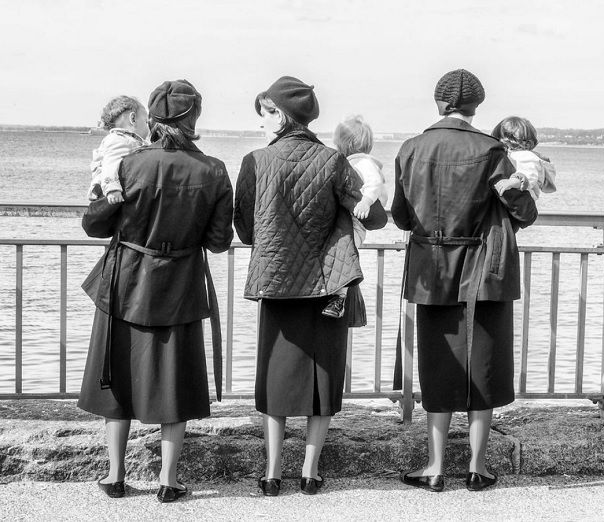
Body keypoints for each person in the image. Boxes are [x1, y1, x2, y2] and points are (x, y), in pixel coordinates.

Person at [77, 79, 233, 503]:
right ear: (194, 118)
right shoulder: (214, 170)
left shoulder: (129, 163)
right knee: (174, 382)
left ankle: (115, 475)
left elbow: (94, 224)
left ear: (154, 116)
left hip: (124, 279)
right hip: (179, 284)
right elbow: (220, 241)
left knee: (117, 375)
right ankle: (168, 480)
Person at [234, 76, 384, 497]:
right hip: (327, 285)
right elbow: (373, 217)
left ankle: (271, 473)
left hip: (277, 282)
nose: (261, 123)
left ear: (279, 114)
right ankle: (310, 472)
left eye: (264, 114)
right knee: (323, 376)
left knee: (275, 377)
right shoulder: (335, 161)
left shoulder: (255, 161)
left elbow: (245, 230)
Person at [391, 69, 538, 492]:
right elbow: (523, 213)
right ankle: (477, 466)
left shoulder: (411, 147)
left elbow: (401, 215)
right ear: (475, 108)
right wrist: (516, 188)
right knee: (485, 362)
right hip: (484, 267)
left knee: (438, 363)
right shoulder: (491, 150)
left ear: (439, 104)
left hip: (430, 267)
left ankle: (435, 466)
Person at [323, 115, 388, 319]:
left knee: (345, 254)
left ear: (345, 143)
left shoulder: (363, 163)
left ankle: (339, 298)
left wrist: (366, 201)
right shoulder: (354, 163)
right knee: (341, 253)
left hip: (357, 220)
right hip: (352, 219)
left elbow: (374, 183)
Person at [88, 96, 149, 204]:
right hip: (111, 192)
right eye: (146, 122)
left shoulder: (124, 139)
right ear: (133, 119)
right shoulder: (119, 140)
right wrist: (112, 189)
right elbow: (110, 164)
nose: (148, 126)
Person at [491, 116, 557, 201]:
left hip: (522, 202)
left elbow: (529, 174)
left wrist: (513, 181)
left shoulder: (525, 155)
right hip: (517, 200)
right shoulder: (514, 155)